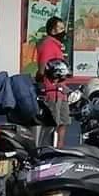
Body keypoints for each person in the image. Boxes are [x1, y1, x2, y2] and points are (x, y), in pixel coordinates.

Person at [35, 16, 70, 146]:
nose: (63, 31)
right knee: (52, 123)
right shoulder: (48, 45)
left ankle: (60, 149)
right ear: (52, 30)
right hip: (52, 91)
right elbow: (43, 68)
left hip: (61, 91)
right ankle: (47, 149)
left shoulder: (57, 46)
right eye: (60, 28)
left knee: (63, 122)